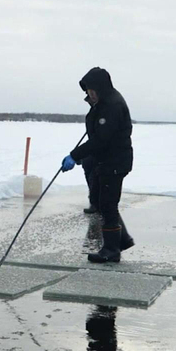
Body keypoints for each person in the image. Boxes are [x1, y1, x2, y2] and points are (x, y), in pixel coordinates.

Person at [60, 67, 135, 263]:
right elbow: (98, 134)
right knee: (104, 203)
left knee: (108, 205)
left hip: (115, 161)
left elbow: (101, 140)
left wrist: (75, 156)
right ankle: (122, 239)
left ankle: (111, 249)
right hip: (108, 160)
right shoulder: (103, 104)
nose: (88, 94)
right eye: (86, 92)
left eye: (90, 90)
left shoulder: (111, 106)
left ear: (100, 88)